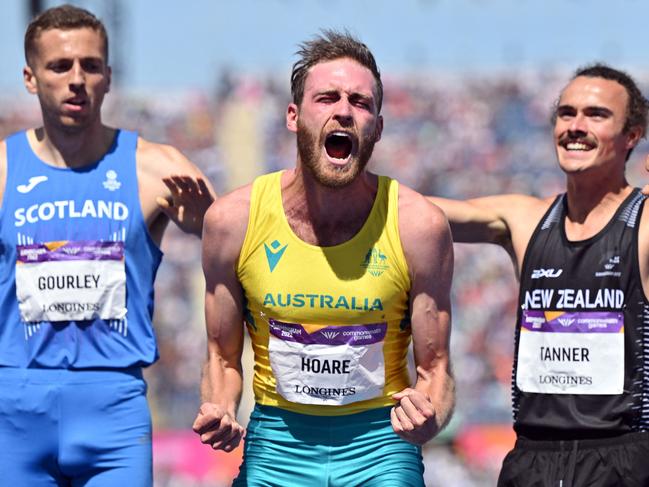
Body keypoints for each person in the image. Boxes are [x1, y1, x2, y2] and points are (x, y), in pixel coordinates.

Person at [192, 30, 454, 486]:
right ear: (294, 116)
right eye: (327, 98)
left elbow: (437, 371)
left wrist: (430, 415)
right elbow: (223, 357)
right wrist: (220, 407)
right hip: (277, 445)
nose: (344, 111)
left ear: (378, 125)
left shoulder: (419, 226)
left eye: (360, 102)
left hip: (381, 445)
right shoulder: (232, 222)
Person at [0, 4, 215, 486]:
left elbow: (234, 255)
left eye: (90, 66)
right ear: (31, 79)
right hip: (14, 406)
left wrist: (207, 227)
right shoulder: (2, 171)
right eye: (60, 66)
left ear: (109, 77)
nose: (77, 79)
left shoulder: (157, 168)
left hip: (113, 409)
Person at [429, 64, 649, 486]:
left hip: (622, 459)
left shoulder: (641, 221)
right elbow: (416, 214)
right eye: (566, 114)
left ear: (632, 135)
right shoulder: (526, 218)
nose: (576, 126)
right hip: (532, 459)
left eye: (596, 114)